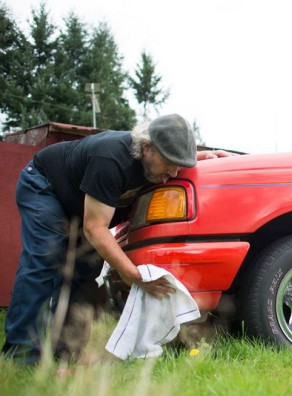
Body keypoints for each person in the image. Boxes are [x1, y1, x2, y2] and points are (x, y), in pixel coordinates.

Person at [2, 114, 229, 365]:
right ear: (146, 148)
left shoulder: (155, 161)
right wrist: (132, 274)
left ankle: (66, 353)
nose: (174, 172)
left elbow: (93, 226)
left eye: (180, 163)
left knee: (85, 271)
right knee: (46, 257)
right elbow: (95, 228)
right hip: (44, 186)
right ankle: (21, 352)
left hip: (82, 208)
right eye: (171, 163)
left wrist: (199, 159)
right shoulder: (110, 159)